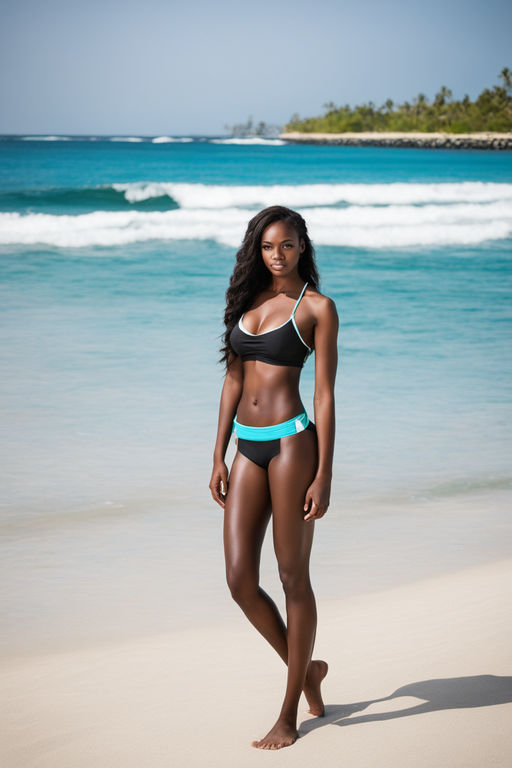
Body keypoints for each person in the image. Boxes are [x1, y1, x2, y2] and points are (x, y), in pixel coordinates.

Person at [209, 205, 339, 750]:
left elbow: (325, 395)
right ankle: (306, 670)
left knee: (292, 578)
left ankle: (290, 714)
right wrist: (217, 453)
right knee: (240, 579)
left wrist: (324, 473)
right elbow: (232, 381)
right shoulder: (247, 302)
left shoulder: (317, 309)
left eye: (287, 245)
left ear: (302, 246)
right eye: (268, 246)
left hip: (292, 445)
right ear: (256, 250)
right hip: (246, 447)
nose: (278, 255)